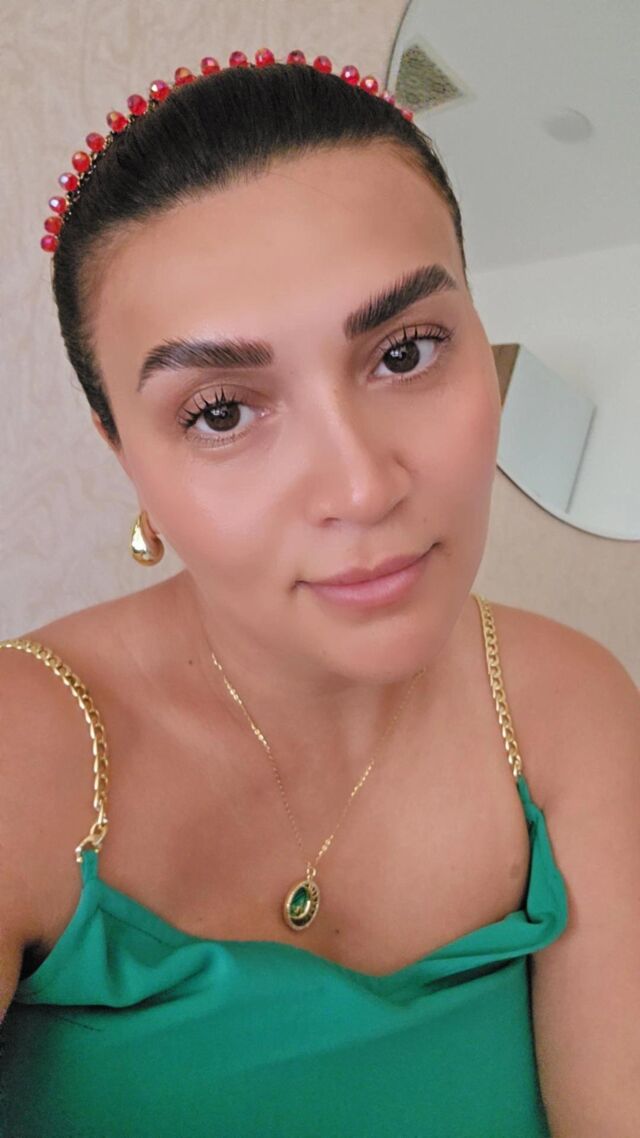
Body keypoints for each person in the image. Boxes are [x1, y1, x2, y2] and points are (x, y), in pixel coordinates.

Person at [0, 49, 638, 1138]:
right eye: (221, 412)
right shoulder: (25, 754)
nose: (361, 487)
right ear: (123, 453)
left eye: (406, 352)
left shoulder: (568, 706)